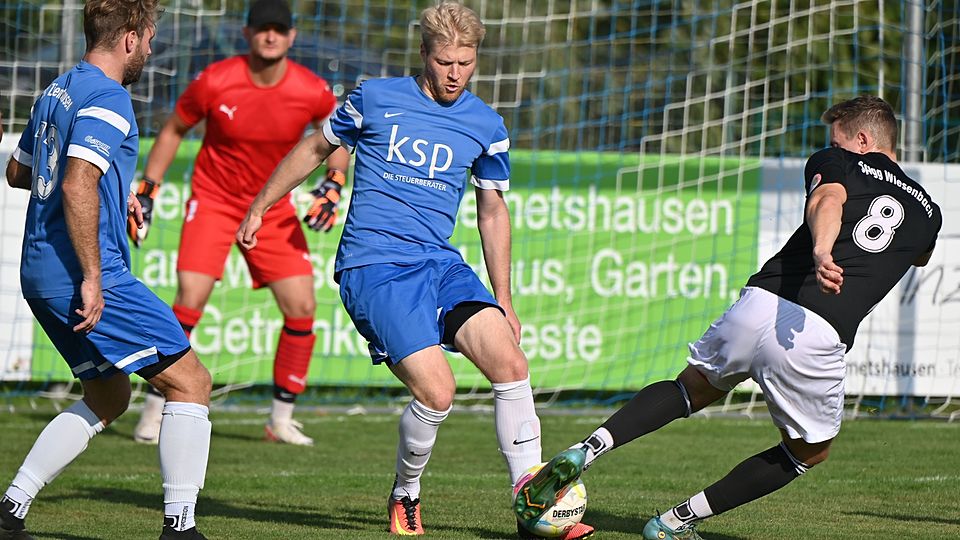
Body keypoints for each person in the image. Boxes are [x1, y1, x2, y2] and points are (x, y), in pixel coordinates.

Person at [236, 2, 594, 538]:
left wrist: (506, 299)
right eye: (446, 61)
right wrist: (261, 205)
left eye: (466, 63)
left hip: (440, 264)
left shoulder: (486, 125)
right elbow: (315, 147)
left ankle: (532, 505)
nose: (455, 74)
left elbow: (492, 209)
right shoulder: (376, 98)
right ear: (424, 54)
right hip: (373, 266)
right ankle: (406, 493)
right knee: (438, 392)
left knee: (510, 362)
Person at [514, 95, 943, 540]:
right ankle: (673, 523)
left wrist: (820, 248)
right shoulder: (930, 213)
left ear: (862, 139)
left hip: (760, 303)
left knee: (690, 388)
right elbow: (920, 253)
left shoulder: (840, 161)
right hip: (815, 334)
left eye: (837, 141)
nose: (831, 147)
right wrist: (834, 251)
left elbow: (829, 199)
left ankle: (586, 449)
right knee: (807, 454)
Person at [1, 1, 213, 539]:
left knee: (109, 395)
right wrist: (93, 277)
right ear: (129, 38)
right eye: (148, 39)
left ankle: (10, 508)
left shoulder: (58, 90)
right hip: (87, 275)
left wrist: (115, 197)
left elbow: (19, 172)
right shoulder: (109, 96)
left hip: (39, 273)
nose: (150, 49)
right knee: (190, 383)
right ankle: (180, 528)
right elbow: (75, 183)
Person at [129, 0, 351, 446]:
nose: (271, 35)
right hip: (213, 202)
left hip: (272, 206)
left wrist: (335, 180)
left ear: (291, 37)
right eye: (262, 28)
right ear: (247, 34)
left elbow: (337, 135)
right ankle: (155, 409)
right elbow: (173, 129)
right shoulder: (216, 80)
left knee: (302, 307)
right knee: (189, 297)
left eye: (279, 29)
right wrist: (149, 188)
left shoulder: (311, 89)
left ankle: (281, 419)